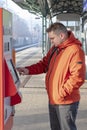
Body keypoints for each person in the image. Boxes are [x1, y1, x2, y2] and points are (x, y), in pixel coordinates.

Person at [17, 22, 86, 130]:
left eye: (52, 38)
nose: (51, 41)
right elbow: (44, 64)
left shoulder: (75, 51)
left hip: (66, 101)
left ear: (61, 36)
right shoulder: (55, 49)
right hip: (54, 98)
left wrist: (61, 93)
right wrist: (27, 70)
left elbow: (78, 77)